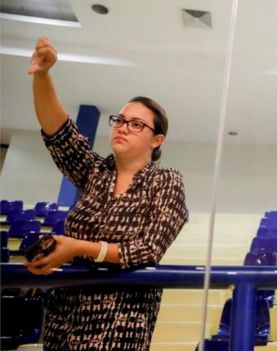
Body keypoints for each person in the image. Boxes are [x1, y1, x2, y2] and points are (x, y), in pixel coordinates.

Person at [24, 37, 189, 350]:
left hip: (122, 320)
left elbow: (147, 250)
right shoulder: (96, 172)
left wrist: (76, 247)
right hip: (66, 317)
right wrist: (42, 75)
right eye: (120, 120)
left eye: (137, 124)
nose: (123, 127)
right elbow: (60, 135)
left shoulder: (166, 181)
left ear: (157, 140)